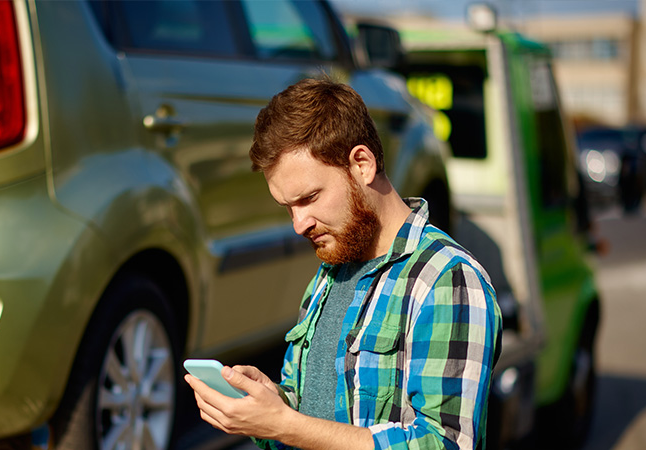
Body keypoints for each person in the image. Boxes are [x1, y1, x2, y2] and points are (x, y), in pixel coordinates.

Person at [184, 78, 502, 450]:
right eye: (288, 207)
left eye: (309, 198)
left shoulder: (447, 280)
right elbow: (321, 418)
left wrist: (285, 425)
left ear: (362, 164)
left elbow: (444, 443)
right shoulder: (331, 272)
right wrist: (273, 404)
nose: (298, 224)